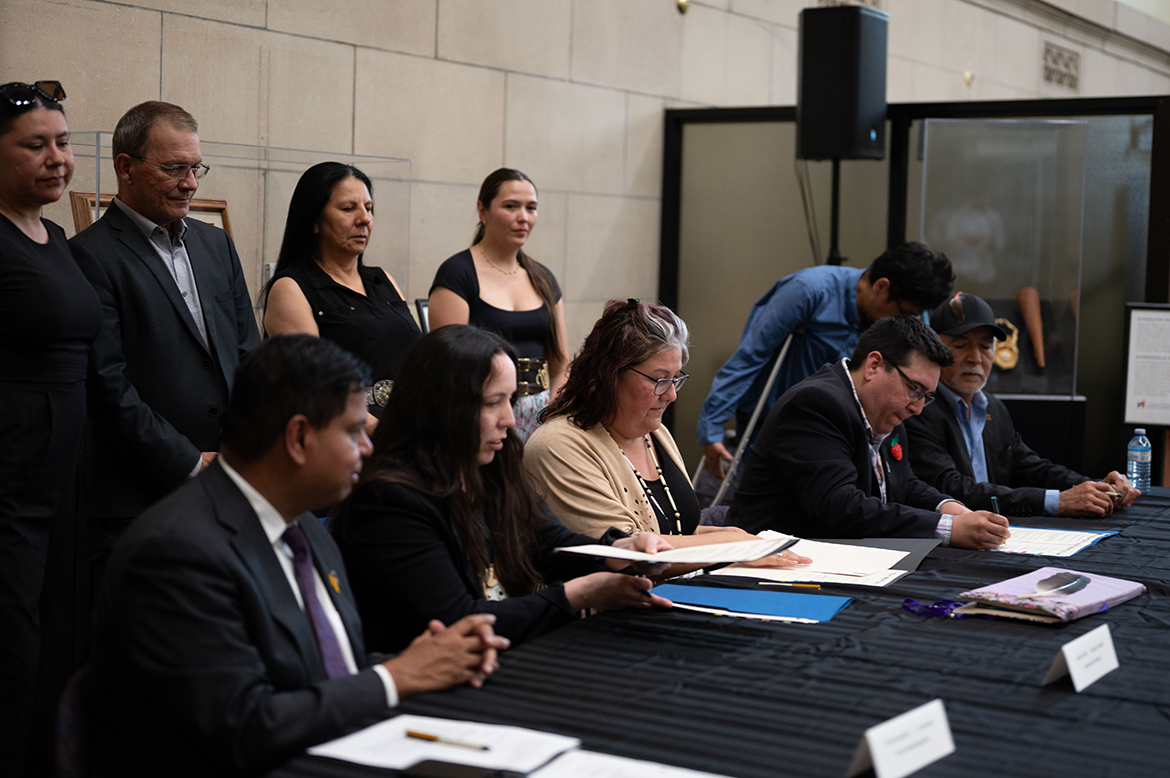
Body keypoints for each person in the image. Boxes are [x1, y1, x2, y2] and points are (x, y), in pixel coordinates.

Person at [86, 334, 509, 778]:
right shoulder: (177, 553)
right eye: (352, 431)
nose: (367, 447)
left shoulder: (303, 527)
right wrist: (396, 676)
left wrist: (427, 660)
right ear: (299, 437)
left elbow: (319, 672)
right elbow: (244, 726)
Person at [333, 325, 674, 652]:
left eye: (510, 401)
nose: (510, 419)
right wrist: (575, 596)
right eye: (493, 402)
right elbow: (459, 621)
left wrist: (618, 550)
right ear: (443, 407)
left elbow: (544, 539)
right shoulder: (387, 502)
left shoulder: (490, 467)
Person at [70, 101, 261, 581]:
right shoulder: (90, 256)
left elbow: (249, 354)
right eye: (174, 168)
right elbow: (107, 386)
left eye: (195, 168)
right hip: (140, 496)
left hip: (230, 486)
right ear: (126, 168)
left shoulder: (214, 244)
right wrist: (190, 462)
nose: (191, 183)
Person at [524, 299, 809, 568]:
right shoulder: (557, 445)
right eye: (660, 380)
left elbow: (677, 529)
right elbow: (629, 552)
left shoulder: (654, 433)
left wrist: (744, 538)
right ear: (609, 375)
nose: (671, 395)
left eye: (675, 379)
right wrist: (734, 545)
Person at [0, 80, 100, 778]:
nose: (56, 158)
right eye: (35, 145)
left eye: (62, 143)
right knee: (9, 654)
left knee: (48, 649)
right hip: (8, 485)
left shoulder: (56, 236)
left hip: (61, 479)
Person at [728, 316, 1012, 550]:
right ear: (874, 365)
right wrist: (948, 529)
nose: (918, 408)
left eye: (926, 396)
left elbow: (902, 484)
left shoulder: (887, 409)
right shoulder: (816, 404)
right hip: (764, 566)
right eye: (915, 389)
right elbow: (838, 507)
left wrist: (947, 507)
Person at [698, 242, 955, 479]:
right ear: (881, 286)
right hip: (771, 420)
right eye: (906, 313)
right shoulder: (809, 291)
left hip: (837, 428)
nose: (908, 321)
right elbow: (751, 355)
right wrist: (712, 426)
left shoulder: (886, 318)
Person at [905, 292, 1140, 517]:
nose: (975, 358)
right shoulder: (919, 409)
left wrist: (1095, 487)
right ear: (934, 350)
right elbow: (953, 488)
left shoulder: (993, 408)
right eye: (960, 345)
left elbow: (1031, 468)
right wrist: (1059, 502)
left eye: (986, 346)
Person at [263, 161, 421, 431]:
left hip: (413, 424)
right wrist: (383, 436)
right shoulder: (291, 288)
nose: (365, 219)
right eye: (349, 208)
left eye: (368, 208)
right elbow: (314, 387)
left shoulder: (383, 278)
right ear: (314, 220)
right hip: (350, 436)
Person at [428, 168, 569, 441]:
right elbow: (452, 366)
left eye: (531, 208)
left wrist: (553, 413)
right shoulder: (457, 273)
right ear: (483, 211)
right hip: (480, 413)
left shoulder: (543, 278)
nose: (523, 218)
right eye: (511, 206)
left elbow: (561, 363)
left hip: (542, 414)